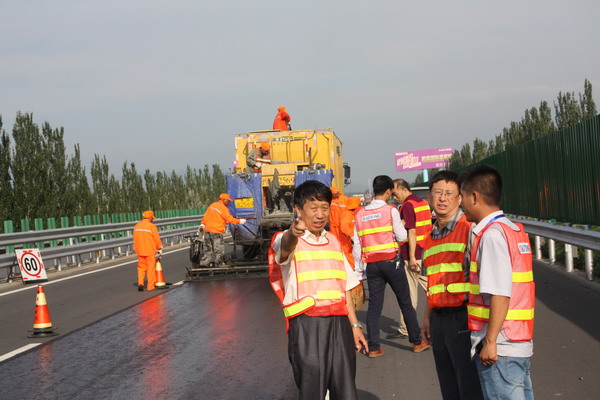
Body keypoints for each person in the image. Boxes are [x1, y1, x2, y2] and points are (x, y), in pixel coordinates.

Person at [268, 180, 368, 400]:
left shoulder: (333, 241)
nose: (320, 214)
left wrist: (354, 326)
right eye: (313, 208)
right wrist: (293, 233)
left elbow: (345, 287)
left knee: (345, 389)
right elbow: (284, 249)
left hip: (339, 324)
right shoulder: (285, 239)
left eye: (324, 208)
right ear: (298, 210)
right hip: (307, 325)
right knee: (312, 389)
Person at [459, 164, 535, 400]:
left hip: (501, 346)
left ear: (474, 197)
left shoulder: (491, 235)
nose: (460, 203)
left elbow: (500, 294)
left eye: (462, 196)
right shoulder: (513, 230)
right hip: (517, 340)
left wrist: (490, 341)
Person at [421, 171, 483, 400]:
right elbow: (433, 283)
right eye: (438, 192)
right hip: (438, 321)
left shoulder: (469, 229)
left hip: (464, 318)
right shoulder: (430, 235)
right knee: (449, 388)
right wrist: (427, 318)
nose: (442, 198)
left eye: (449, 193)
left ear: (459, 198)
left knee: (469, 387)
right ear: (429, 196)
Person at [352, 175, 431, 358]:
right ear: (388, 191)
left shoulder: (360, 214)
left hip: (372, 265)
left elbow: (357, 244)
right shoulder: (391, 211)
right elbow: (402, 236)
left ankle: (373, 347)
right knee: (405, 302)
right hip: (391, 263)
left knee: (374, 307)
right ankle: (417, 342)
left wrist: (359, 269)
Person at [388, 179, 432, 338]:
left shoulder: (407, 206)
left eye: (395, 193)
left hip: (412, 255)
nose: (395, 197)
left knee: (409, 293)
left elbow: (411, 231)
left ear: (403, 189)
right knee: (433, 289)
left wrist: (412, 257)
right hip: (426, 251)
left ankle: (405, 328)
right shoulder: (423, 203)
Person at [199, 193, 247, 266]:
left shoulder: (212, 205)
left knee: (207, 249)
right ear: (224, 200)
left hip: (208, 231)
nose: (229, 202)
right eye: (228, 201)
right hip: (216, 231)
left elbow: (205, 217)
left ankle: (204, 264)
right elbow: (230, 219)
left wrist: (202, 224)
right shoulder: (223, 208)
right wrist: (240, 221)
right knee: (218, 249)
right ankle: (219, 264)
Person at [133, 210, 163, 291]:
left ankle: (140, 283)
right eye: (152, 218)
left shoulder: (137, 226)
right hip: (149, 250)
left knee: (141, 267)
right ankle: (150, 286)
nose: (153, 220)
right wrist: (159, 248)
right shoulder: (151, 226)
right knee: (150, 268)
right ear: (150, 218)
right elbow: (156, 238)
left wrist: (136, 248)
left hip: (140, 250)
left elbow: (134, 238)